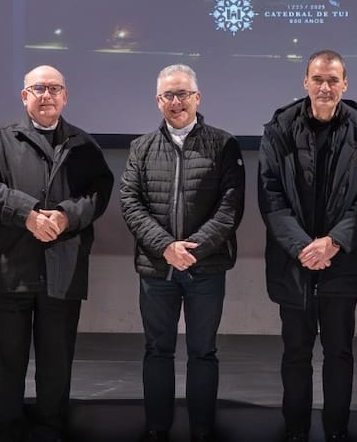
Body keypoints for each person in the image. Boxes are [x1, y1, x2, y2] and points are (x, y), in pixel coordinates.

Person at [0, 65, 114, 442]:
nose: (47, 95)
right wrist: (28, 215)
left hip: (62, 267)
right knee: (5, 358)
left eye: (55, 89)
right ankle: (5, 426)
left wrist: (66, 217)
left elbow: (98, 193)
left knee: (56, 359)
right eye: (39, 88)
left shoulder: (85, 145)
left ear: (65, 96)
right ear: (25, 96)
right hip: (10, 266)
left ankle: (51, 424)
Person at [257, 49, 357, 442]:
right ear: (305, 82)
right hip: (292, 263)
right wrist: (303, 247)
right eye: (318, 79)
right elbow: (270, 194)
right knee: (295, 354)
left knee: (339, 353)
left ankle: (336, 430)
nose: (325, 87)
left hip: (341, 262)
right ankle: (295, 429)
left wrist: (333, 243)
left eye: (333, 80)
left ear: (345, 84)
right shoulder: (279, 127)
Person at [120, 64, 245, 442]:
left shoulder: (224, 144)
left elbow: (231, 206)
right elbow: (130, 202)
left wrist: (193, 249)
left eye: (183, 94)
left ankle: (202, 428)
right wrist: (165, 247)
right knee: (157, 350)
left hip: (205, 267)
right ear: (158, 101)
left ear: (197, 98)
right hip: (157, 270)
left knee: (203, 351)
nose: (176, 102)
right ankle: (158, 427)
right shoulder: (141, 147)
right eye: (168, 96)